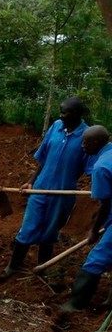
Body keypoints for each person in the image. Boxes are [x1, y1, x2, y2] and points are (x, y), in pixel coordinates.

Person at [3, 97, 89, 277]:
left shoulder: (87, 136)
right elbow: (43, 158)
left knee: (50, 232)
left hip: (63, 194)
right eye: (61, 111)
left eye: (65, 112)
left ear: (77, 114)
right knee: (28, 227)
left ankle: (42, 270)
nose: (61, 115)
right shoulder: (56, 126)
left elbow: (89, 167)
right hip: (40, 189)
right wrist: (31, 181)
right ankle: (13, 266)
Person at [60, 126, 112, 313]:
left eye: (85, 142)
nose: (82, 146)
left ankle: (74, 305)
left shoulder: (101, 167)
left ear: (96, 142)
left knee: (96, 260)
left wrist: (93, 231)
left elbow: (104, 206)